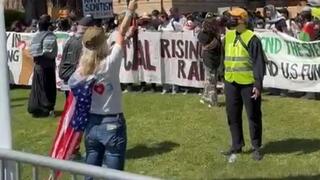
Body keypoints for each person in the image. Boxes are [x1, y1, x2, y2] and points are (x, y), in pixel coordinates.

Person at [68, 0, 138, 176]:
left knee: (90, 171)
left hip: (91, 124)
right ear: (103, 43)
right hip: (112, 122)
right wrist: (129, 11)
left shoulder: (81, 71)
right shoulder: (110, 63)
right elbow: (121, 33)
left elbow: (71, 83)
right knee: (115, 174)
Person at [221, 8, 266, 161]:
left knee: (253, 115)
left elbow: (258, 63)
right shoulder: (228, 36)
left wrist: (258, 84)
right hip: (231, 82)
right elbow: (224, 58)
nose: (230, 20)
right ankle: (236, 145)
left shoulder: (252, 38)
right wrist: (223, 77)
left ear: (242, 19)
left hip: (248, 83)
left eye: (234, 17)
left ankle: (256, 147)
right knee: (232, 115)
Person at [28, 14, 58, 118]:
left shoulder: (36, 36)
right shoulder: (49, 36)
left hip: (38, 65)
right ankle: (47, 108)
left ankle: (38, 108)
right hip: (47, 66)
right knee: (48, 88)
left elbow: (32, 51)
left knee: (39, 88)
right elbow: (47, 52)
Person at [59, 15, 94, 98]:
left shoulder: (69, 40)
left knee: (69, 106)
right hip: (78, 79)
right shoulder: (85, 42)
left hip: (67, 76)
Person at [198, 17, 222, 107]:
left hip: (213, 59)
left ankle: (206, 97)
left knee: (210, 80)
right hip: (210, 60)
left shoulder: (212, 34)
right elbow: (210, 44)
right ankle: (212, 101)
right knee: (211, 80)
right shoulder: (206, 35)